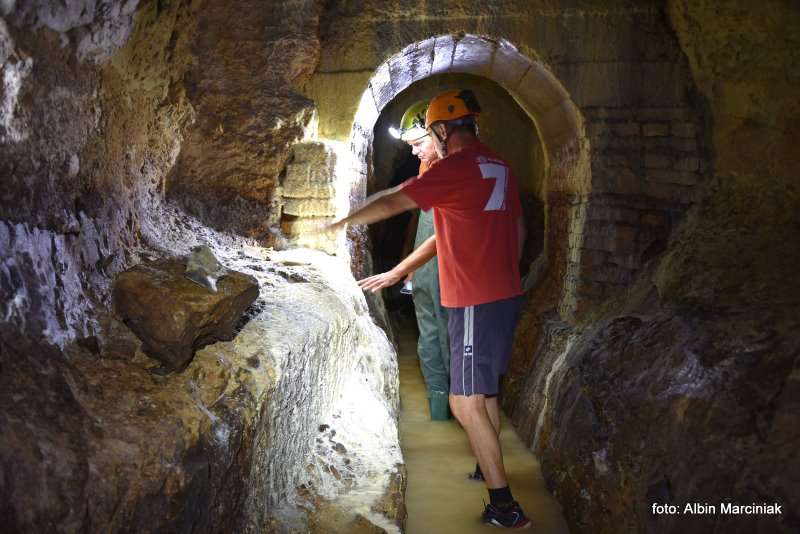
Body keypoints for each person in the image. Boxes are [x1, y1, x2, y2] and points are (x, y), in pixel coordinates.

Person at [329, 89, 530, 528]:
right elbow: (512, 228)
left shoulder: (454, 168)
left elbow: (392, 201)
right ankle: (487, 461)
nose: (423, 146)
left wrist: (341, 221)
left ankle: (505, 508)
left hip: (474, 298)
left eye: (425, 137)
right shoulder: (499, 164)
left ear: (441, 130)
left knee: (463, 402)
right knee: (485, 393)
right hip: (500, 295)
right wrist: (502, 275)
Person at [383, 99, 451, 421]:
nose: (414, 152)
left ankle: (464, 417)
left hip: (451, 274)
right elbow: (421, 218)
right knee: (429, 342)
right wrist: (409, 264)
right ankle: (440, 419)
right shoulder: (428, 169)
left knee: (451, 341)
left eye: (418, 143)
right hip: (425, 273)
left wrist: (404, 267)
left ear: (441, 134)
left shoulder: (461, 172)